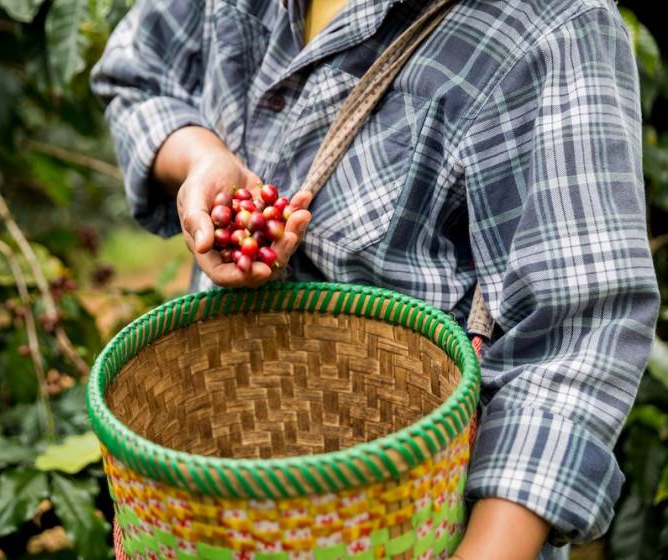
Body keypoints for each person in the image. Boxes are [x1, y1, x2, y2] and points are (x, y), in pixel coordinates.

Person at [90, 0, 659, 558]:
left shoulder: (552, 25)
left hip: (415, 521)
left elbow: (579, 340)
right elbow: (138, 73)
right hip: (216, 494)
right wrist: (200, 156)